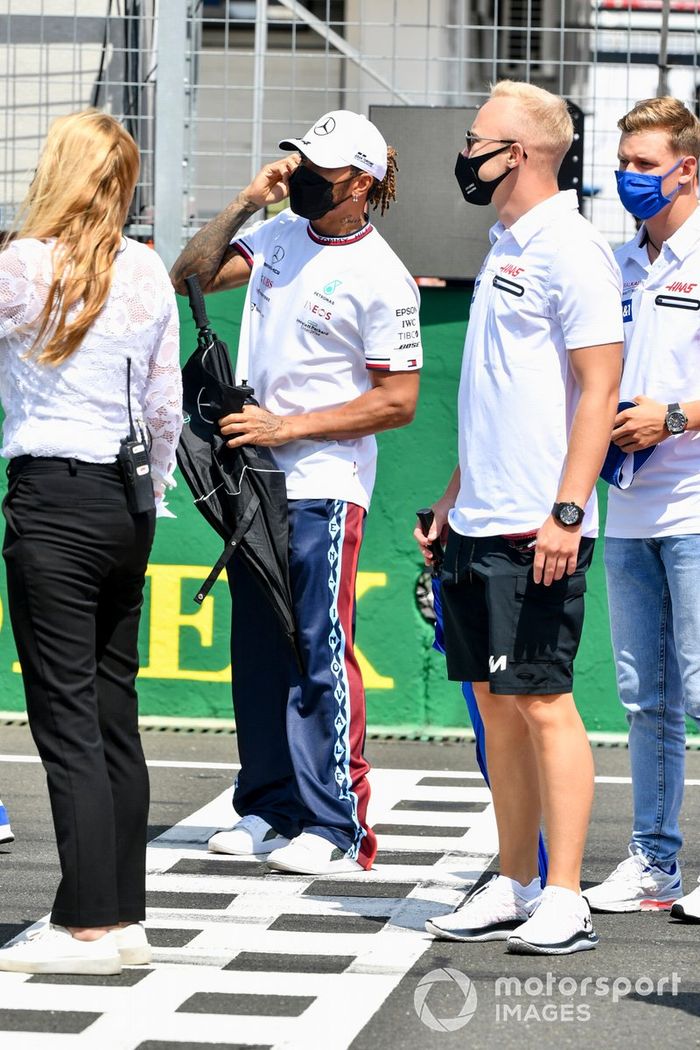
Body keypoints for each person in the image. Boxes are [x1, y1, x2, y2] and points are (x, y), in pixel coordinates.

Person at [171, 110, 421, 876]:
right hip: (253, 484)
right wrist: (249, 200)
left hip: (325, 484)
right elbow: (190, 276)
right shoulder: (277, 234)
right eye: (301, 160)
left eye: (325, 168)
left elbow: (400, 400)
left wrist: (292, 428)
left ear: (363, 186)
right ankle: (267, 805)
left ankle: (335, 821)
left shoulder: (385, 276)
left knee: (318, 646)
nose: (306, 174)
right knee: (258, 651)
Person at [416, 80, 623, 954]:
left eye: (477, 140)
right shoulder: (506, 240)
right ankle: (514, 879)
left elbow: (600, 389)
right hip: (480, 518)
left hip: (541, 524)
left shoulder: (570, 247)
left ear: (524, 154)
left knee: (543, 705)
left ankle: (566, 894)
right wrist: (455, 495)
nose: (465, 154)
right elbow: (499, 393)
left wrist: (568, 512)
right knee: (496, 704)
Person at [0, 110, 182, 974]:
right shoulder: (148, 269)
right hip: (127, 499)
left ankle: (87, 924)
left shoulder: (24, 265)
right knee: (113, 714)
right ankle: (123, 915)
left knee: (65, 717)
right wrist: (156, 494)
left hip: (52, 495)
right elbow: (164, 407)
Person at [584, 98, 700, 921]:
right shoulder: (618, 261)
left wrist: (678, 416)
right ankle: (654, 862)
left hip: (696, 508)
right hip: (626, 507)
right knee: (642, 696)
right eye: (623, 162)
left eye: (645, 164)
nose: (628, 176)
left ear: (688, 167)